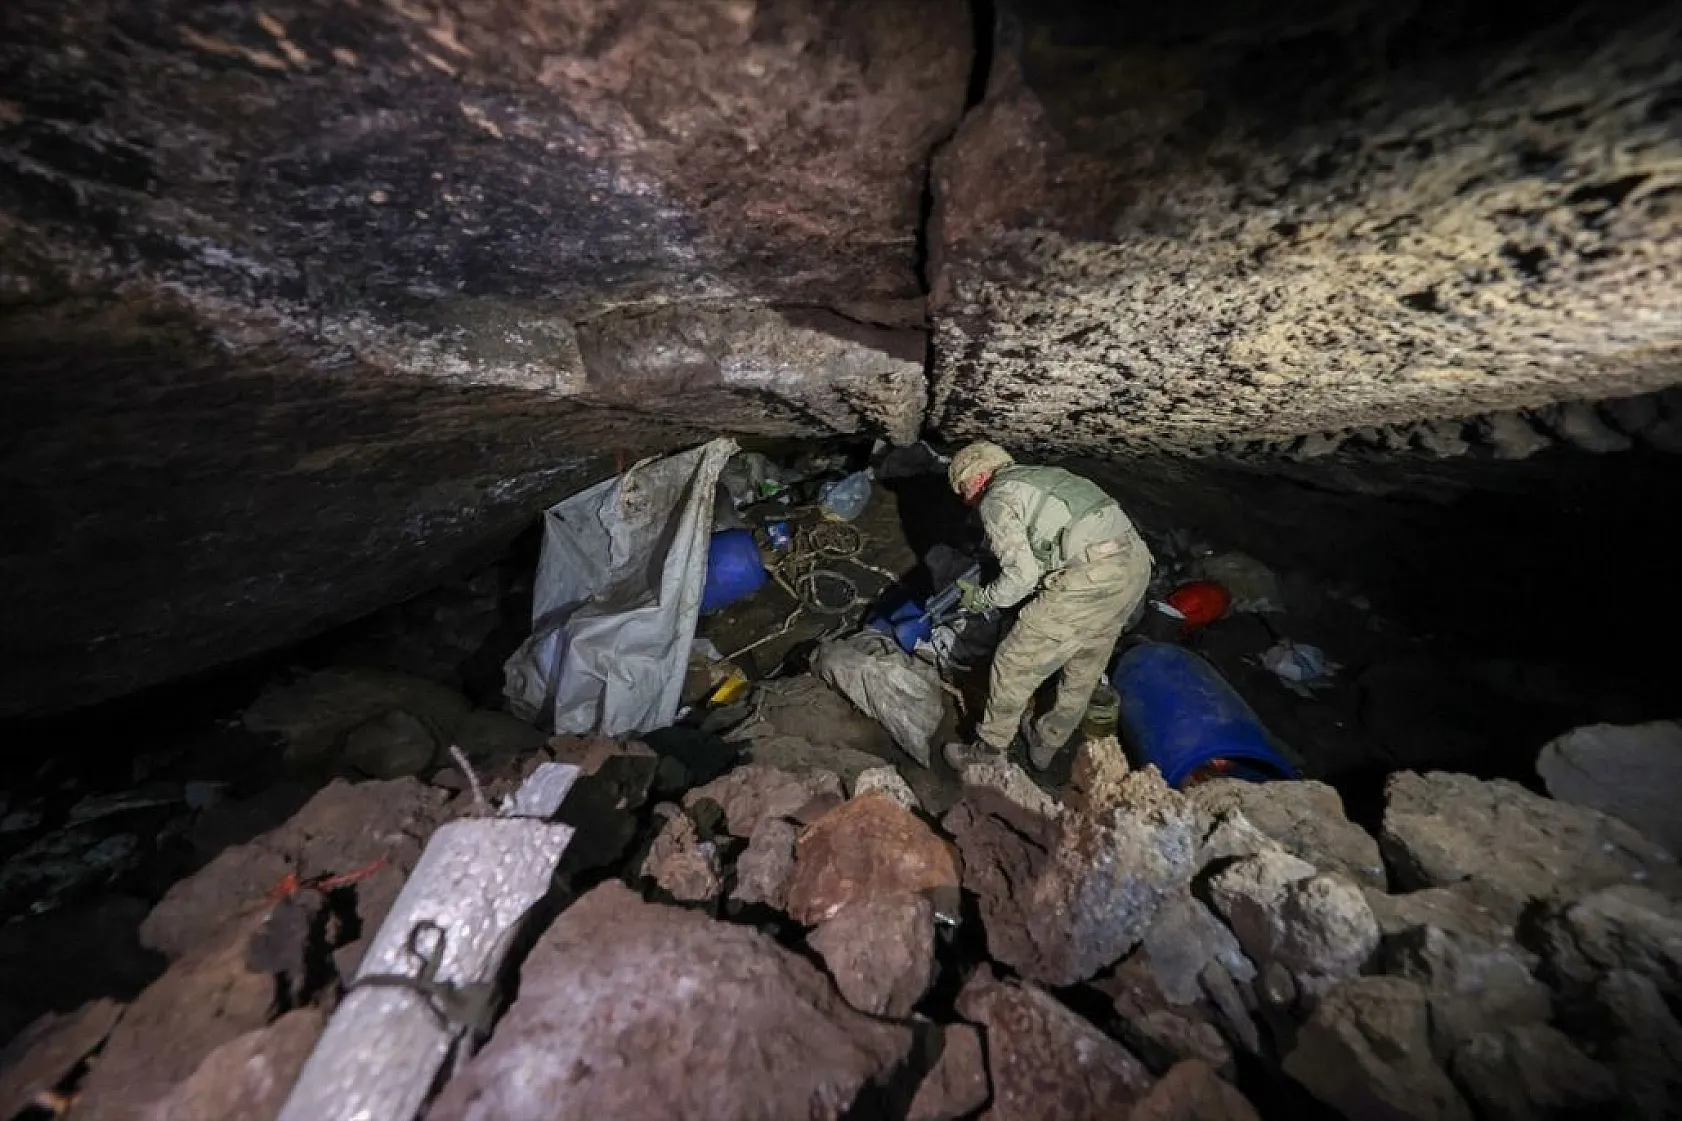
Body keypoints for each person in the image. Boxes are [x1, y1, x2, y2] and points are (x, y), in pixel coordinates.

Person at [942, 441, 1154, 771]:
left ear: (975, 477)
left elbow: (1022, 577)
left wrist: (984, 598)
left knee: (1014, 661)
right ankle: (1047, 744)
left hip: (1093, 575)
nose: (966, 502)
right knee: (1085, 663)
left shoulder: (997, 498)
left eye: (962, 491)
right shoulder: (1039, 477)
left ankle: (988, 753)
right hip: (1135, 565)